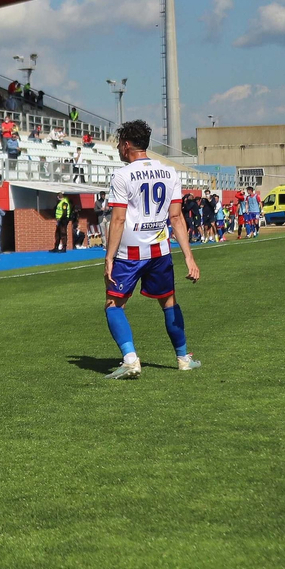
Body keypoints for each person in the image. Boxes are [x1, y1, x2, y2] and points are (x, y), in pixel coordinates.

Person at [101, 119, 201, 380]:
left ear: (126, 145)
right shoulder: (170, 172)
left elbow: (119, 219)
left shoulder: (122, 175)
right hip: (160, 250)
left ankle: (131, 359)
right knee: (168, 302)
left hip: (130, 253)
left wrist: (109, 257)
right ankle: (183, 359)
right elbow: (177, 218)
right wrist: (190, 258)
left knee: (113, 304)